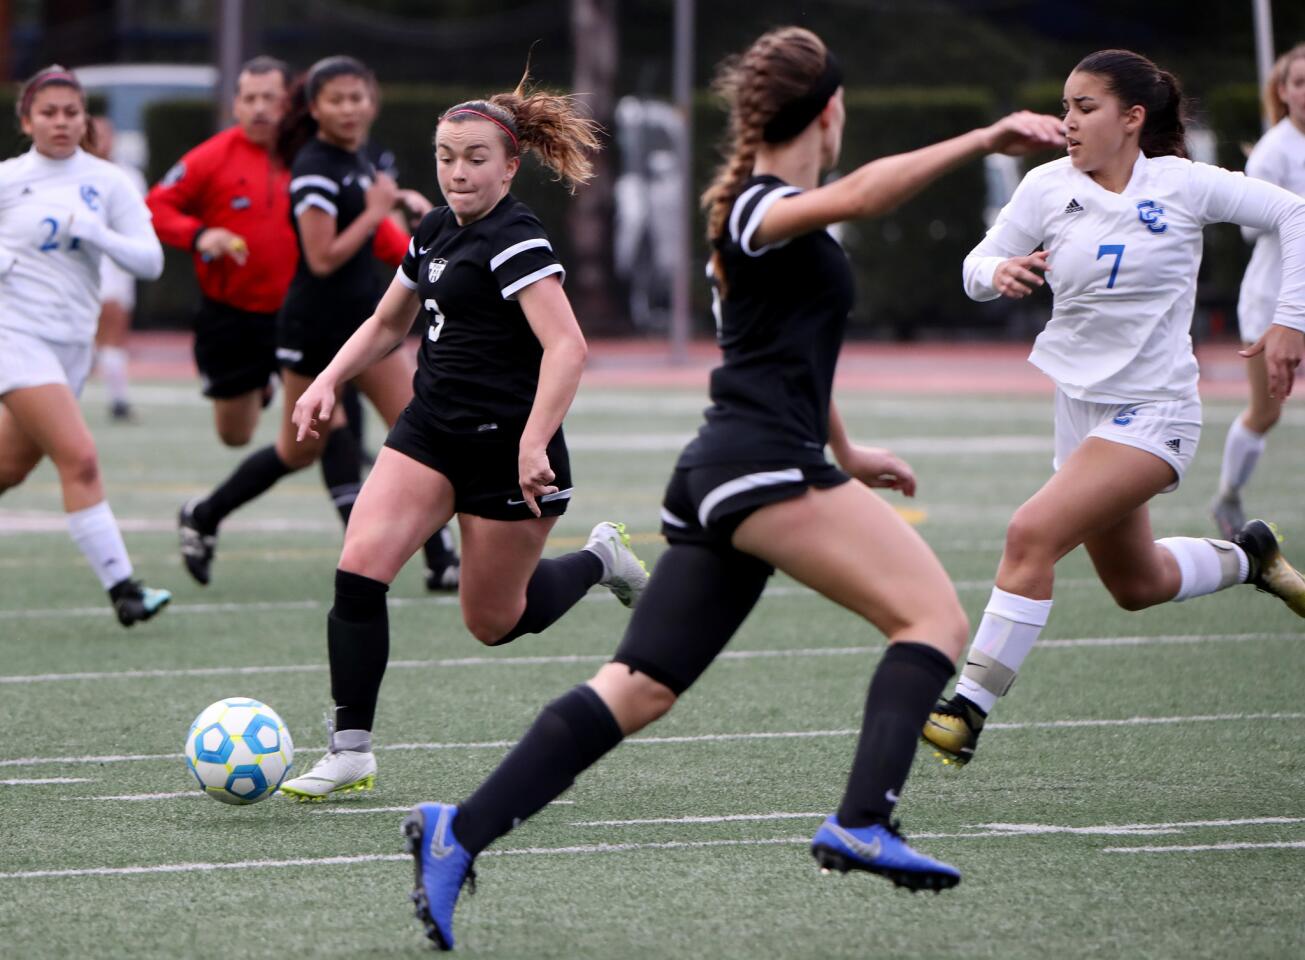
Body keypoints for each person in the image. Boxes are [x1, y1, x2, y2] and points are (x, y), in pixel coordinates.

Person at [396, 27, 1066, 950]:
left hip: (738, 466)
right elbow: (865, 194)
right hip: (759, 467)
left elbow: (783, 353)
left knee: (637, 688)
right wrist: (982, 139)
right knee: (934, 623)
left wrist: (850, 446)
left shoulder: (765, 207)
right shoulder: (754, 205)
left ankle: (457, 831)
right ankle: (861, 819)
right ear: (829, 112)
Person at [923, 49, 1305, 768]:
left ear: (1132, 118)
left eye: (1084, 107)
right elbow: (976, 265)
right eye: (1065, 107)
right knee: (1137, 585)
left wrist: (1290, 320)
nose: (1067, 122)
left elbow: (1293, 213)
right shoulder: (1043, 188)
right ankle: (1250, 559)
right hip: (1079, 413)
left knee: (1029, 533)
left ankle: (965, 707)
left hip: (1156, 411)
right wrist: (996, 269)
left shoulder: (1182, 184)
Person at [279, 74, 652, 803]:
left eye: (475, 158)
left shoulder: (515, 239)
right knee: (358, 572)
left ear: (509, 166)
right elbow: (390, 323)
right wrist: (327, 379)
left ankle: (601, 557)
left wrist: (533, 441)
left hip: (509, 451)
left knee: (494, 621)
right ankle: (350, 750)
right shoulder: (434, 230)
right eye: (446, 156)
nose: (457, 172)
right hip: (430, 432)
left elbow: (567, 346)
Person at [171, 56, 460, 590]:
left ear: (373, 101)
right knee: (301, 449)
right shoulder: (312, 165)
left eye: (358, 97)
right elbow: (323, 256)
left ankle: (441, 560)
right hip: (314, 330)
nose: (349, 108)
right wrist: (377, 210)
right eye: (337, 99)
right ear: (314, 108)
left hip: (368, 323)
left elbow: (380, 226)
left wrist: (408, 210)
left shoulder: (368, 158)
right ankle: (206, 514)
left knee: (427, 432)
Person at [0, 66, 169, 626]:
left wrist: (94, 231)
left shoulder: (110, 180)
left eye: (71, 112)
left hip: (72, 345)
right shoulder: (9, 179)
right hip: (14, 337)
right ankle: (125, 589)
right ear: (27, 120)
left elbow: (150, 259)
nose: (61, 122)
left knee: (11, 466)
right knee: (81, 457)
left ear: (85, 118)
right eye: (48, 112)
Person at [1210, 44, 1305, 537]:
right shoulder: (1272, 152)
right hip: (1274, 301)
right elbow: (1250, 228)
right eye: (1300, 82)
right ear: (1283, 90)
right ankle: (1227, 494)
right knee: (1266, 411)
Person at [89, 116, 147, 421]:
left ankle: (118, 399)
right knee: (90, 335)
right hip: (86, 269)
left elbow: (140, 225)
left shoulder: (128, 176)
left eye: (105, 134)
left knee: (112, 334)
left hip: (117, 268)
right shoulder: (76, 176)